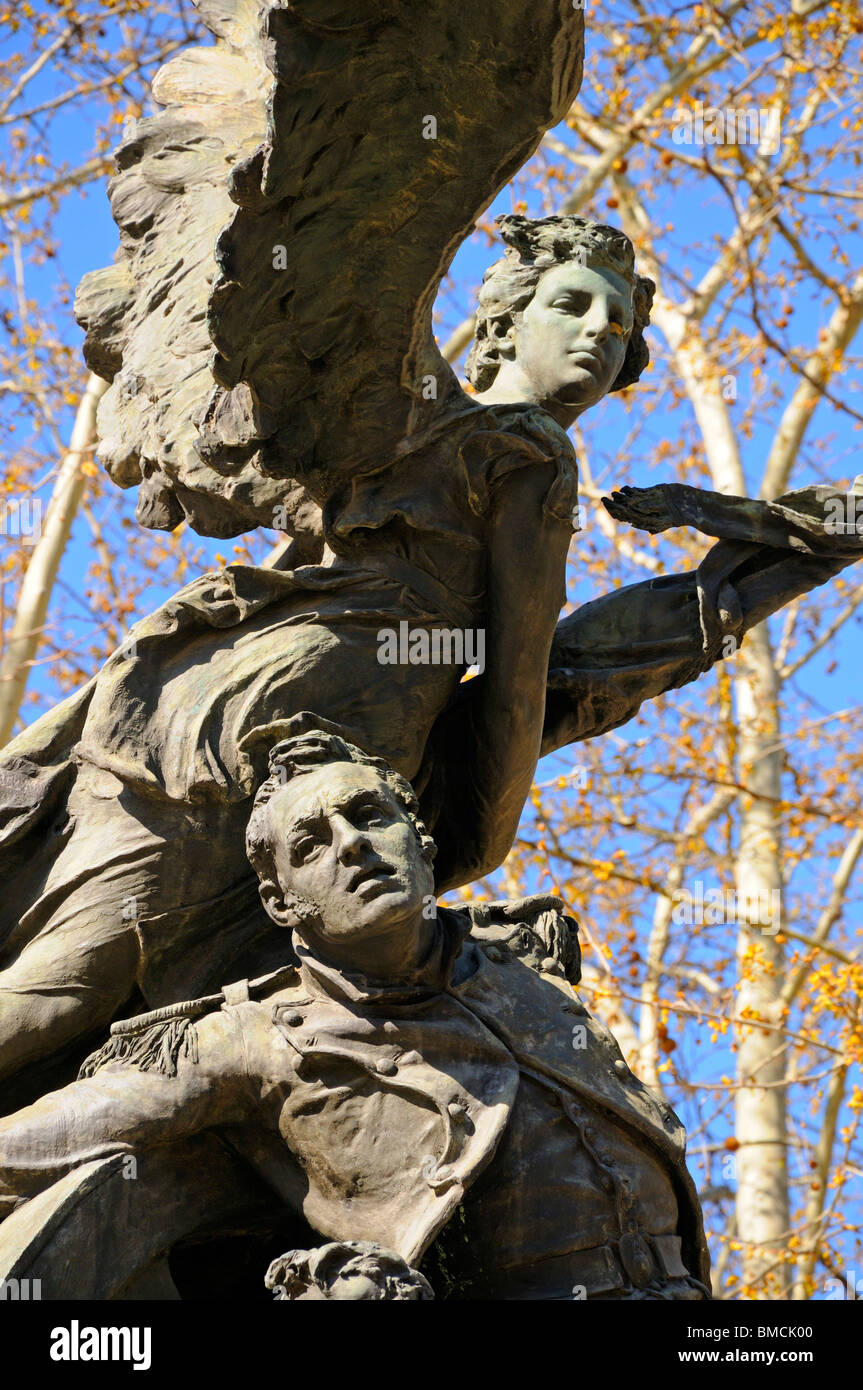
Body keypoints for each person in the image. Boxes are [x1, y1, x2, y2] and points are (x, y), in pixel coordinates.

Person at [0, 214, 655, 1087]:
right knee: (76, 988)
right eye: (572, 306)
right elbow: (516, 672)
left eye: (617, 328)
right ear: (501, 326)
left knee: (62, 952)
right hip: (314, 723)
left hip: (194, 692)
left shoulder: (396, 413)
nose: (596, 335)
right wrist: (482, 836)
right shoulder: (528, 451)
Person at [0, 729, 709, 1301]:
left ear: (420, 840)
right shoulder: (248, 1038)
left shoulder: (527, 961)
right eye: (311, 844)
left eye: (369, 816)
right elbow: (32, 1145)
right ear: (281, 904)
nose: (352, 844)